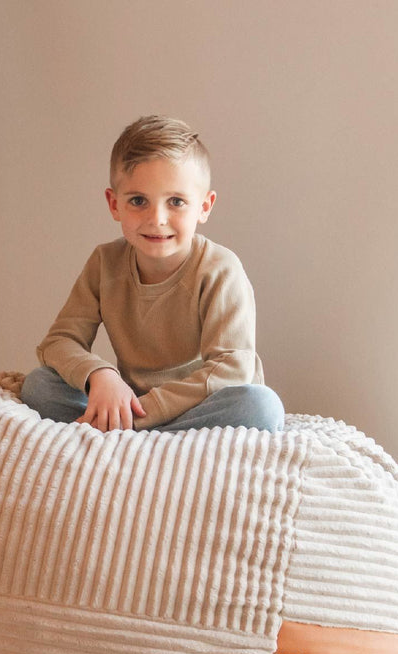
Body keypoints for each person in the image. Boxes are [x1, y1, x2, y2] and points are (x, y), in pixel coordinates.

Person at [22, 115, 284, 433]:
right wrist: (100, 376)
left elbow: (233, 368)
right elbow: (59, 342)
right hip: (128, 402)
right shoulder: (105, 263)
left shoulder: (220, 269)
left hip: (195, 406)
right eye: (138, 201)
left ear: (204, 206)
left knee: (261, 407)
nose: (157, 218)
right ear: (114, 203)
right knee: (39, 385)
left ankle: (126, 429)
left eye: (176, 201)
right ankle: (130, 427)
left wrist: (147, 410)